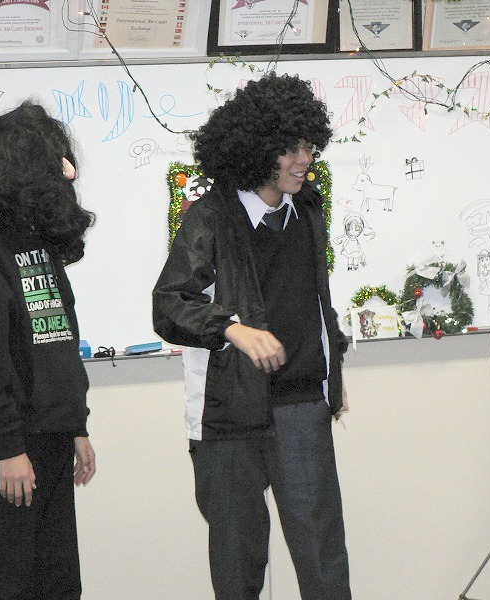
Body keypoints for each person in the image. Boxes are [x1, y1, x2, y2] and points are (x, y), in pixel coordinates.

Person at [152, 72, 351, 600]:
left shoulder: (308, 209)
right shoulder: (210, 218)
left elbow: (314, 298)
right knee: (238, 564)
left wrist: (333, 367)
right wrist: (232, 329)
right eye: (289, 149)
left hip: (302, 403)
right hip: (230, 412)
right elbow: (169, 305)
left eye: (308, 146)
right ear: (256, 150)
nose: (303, 160)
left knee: (323, 559)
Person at [0, 101, 96, 599]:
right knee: (7, 584)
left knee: (59, 583)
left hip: (52, 438)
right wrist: (7, 448)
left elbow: (61, 344)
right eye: (54, 161)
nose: (66, 172)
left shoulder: (40, 248)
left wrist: (76, 426)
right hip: (10, 448)